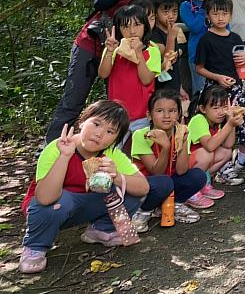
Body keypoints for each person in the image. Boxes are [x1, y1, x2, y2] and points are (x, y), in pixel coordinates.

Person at [45, 0, 179, 146]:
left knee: (117, 103)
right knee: (73, 100)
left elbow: (159, 32)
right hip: (93, 45)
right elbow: (99, 4)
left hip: (129, 55)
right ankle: (52, 148)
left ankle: (111, 152)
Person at [20, 100, 149, 274]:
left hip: (86, 203)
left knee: (129, 191)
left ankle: (101, 230)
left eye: (110, 131)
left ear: (115, 140)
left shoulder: (111, 154)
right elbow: (44, 198)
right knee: (59, 202)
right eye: (96, 124)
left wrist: (117, 176)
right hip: (55, 206)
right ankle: (35, 247)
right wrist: (65, 156)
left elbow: (143, 188)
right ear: (83, 121)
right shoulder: (58, 147)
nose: (99, 134)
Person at [194, 0, 245, 185]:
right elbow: (199, 68)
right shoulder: (206, 39)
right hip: (214, 92)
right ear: (208, 16)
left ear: (231, 15)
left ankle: (237, 165)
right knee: (216, 129)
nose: (220, 18)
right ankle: (218, 168)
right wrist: (218, 78)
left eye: (224, 13)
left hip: (237, 89)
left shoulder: (236, 38)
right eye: (215, 13)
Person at [129, 90, 205, 230]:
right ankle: (143, 211)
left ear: (179, 114)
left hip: (168, 183)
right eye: (159, 111)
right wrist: (165, 147)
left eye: (172, 110)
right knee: (163, 182)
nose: (166, 116)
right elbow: (156, 172)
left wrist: (182, 142)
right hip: (146, 186)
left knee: (198, 176)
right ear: (149, 115)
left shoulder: (181, 133)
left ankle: (173, 204)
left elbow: (182, 171)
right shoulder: (141, 135)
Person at [97, 4, 161, 143]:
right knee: (113, 150)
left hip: (142, 114)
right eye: (126, 27)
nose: (132, 31)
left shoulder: (152, 50)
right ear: (119, 29)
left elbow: (146, 80)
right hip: (117, 113)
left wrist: (138, 53)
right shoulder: (114, 49)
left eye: (137, 25)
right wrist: (108, 51)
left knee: (141, 151)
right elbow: (103, 74)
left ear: (145, 26)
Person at [186, 86, 244, 205]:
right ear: (203, 108)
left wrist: (230, 121)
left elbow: (228, 145)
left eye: (224, 107)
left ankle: (204, 184)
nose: (221, 112)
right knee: (206, 153)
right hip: (184, 166)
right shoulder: (198, 119)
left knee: (226, 152)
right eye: (215, 108)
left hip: (198, 163)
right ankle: (191, 190)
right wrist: (229, 125)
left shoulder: (215, 122)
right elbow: (209, 146)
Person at [180, 0, 215, 95]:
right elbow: (194, 27)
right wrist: (203, 10)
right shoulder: (185, 6)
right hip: (197, 53)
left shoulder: (214, 3)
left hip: (216, 51)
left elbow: (225, 26)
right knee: (200, 91)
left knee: (218, 90)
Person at [151, 0, 189, 100]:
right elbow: (167, 61)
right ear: (155, 13)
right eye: (166, 12)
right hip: (161, 90)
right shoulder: (153, 35)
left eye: (175, 11)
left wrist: (180, 87)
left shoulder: (171, 30)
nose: (171, 16)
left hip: (174, 87)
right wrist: (171, 38)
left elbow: (176, 65)